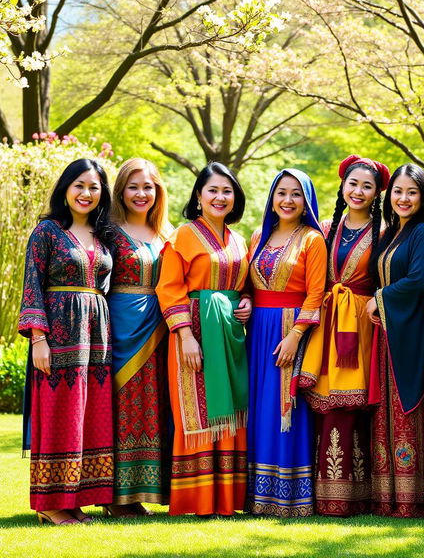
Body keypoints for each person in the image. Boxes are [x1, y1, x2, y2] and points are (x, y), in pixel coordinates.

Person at [20, 159, 115, 525]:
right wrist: (38, 339)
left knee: (89, 416)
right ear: (65, 189)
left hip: (96, 336)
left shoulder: (102, 234)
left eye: (94, 187)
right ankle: (50, 503)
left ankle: (75, 498)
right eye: (79, 185)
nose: (86, 193)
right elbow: (32, 286)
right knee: (59, 413)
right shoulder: (47, 231)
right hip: (59, 333)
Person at [156, 162, 252, 516]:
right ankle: (197, 499)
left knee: (230, 412)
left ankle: (228, 498)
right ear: (198, 196)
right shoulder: (182, 236)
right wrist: (184, 336)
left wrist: (247, 301)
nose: (219, 197)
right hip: (194, 331)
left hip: (229, 334)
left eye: (227, 191)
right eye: (212, 190)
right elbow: (168, 288)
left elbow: (245, 285)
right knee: (195, 411)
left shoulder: (239, 240)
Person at [300, 155, 389, 516]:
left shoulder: (384, 233)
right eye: (353, 183)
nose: (358, 191)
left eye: (367, 186)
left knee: (353, 406)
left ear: (376, 194)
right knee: (324, 406)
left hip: (363, 325)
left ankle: (358, 495)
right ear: (342, 186)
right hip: (326, 322)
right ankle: (324, 495)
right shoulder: (324, 228)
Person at [246, 169, 327, 517]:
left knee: (287, 409)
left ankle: (289, 496)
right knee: (259, 407)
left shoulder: (312, 239)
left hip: (291, 332)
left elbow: (316, 293)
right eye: (281, 193)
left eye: (296, 194)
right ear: (271, 197)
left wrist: (295, 336)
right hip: (258, 333)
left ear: (306, 200)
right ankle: (256, 496)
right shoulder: (257, 236)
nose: (288, 200)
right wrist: (246, 300)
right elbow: (246, 285)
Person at [364, 163, 424, 517]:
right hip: (387, 335)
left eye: (412, 191)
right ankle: (388, 498)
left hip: (410, 333)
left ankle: (415, 501)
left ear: (423, 196)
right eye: (397, 191)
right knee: (385, 413)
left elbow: (417, 280)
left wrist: (379, 299)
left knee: (407, 411)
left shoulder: (423, 231)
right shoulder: (392, 232)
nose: (403, 198)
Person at [106, 158, 172, 516]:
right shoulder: (107, 230)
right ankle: (116, 496)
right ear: (121, 191)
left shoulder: (168, 233)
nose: (141, 194)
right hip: (118, 326)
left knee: (153, 404)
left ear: (158, 191)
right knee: (121, 405)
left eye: (148, 187)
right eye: (133, 186)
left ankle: (145, 491)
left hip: (160, 325)